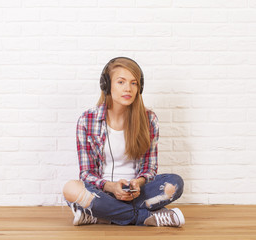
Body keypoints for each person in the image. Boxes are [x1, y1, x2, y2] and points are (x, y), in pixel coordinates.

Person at [63, 57, 185, 227]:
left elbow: (150, 168)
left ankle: (101, 216)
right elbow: (86, 173)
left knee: (174, 183)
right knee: (70, 189)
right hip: (102, 193)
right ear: (106, 85)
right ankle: (144, 217)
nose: (128, 88)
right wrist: (111, 187)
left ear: (139, 87)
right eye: (121, 82)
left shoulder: (149, 119)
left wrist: (138, 183)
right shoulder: (87, 120)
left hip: (138, 193)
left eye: (134, 83)